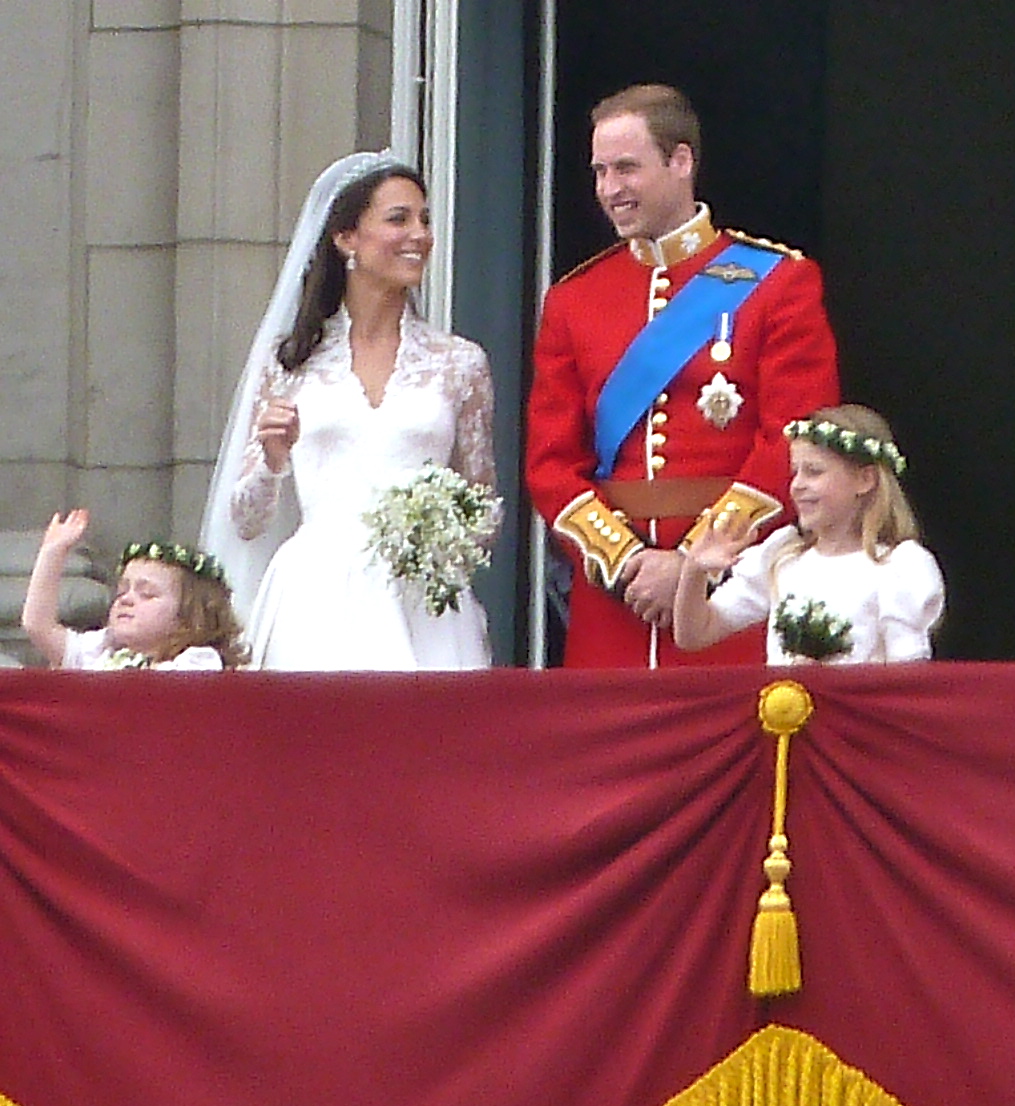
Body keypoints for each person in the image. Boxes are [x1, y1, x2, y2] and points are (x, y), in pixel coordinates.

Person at [525, 83, 841, 668]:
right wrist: (625, 563)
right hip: (616, 603)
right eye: (599, 172)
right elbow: (549, 463)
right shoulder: (574, 300)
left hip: (732, 593)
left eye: (626, 168)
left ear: (681, 161)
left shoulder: (778, 283)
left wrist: (694, 563)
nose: (609, 190)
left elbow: (792, 441)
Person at [199, 151, 497, 671]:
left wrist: (434, 532)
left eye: (425, 220)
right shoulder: (291, 362)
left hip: (421, 605)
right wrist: (272, 461)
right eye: (398, 219)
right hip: (315, 598)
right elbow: (245, 521)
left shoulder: (460, 363)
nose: (420, 235)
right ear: (346, 239)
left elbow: (484, 509)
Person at [672, 405, 945, 663]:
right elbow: (694, 635)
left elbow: (907, 678)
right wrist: (694, 570)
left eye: (814, 472)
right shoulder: (782, 557)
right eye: (795, 473)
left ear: (865, 480)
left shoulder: (898, 566)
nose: (797, 486)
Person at [22, 509, 246, 670]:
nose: (126, 600)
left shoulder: (196, 662)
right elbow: (38, 626)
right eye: (121, 591)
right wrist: (52, 552)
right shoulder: (100, 651)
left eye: (147, 594)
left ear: (190, 614)